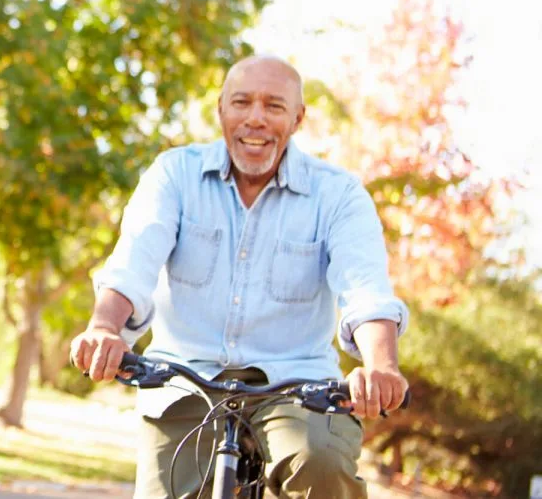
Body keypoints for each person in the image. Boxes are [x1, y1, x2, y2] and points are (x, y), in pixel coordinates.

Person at [70, 55, 410, 499]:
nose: (255, 119)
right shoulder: (174, 174)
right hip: (184, 380)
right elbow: (133, 262)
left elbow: (365, 289)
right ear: (221, 110)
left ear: (297, 118)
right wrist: (104, 328)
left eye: (273, 106)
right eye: (242, 102)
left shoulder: (338, 194)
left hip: (298, 389)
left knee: (321, 465)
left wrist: (381, 365)